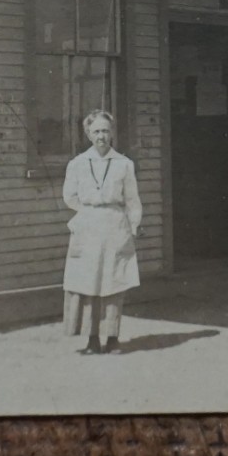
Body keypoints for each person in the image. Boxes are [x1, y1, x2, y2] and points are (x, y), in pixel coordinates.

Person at [61, 110, 142, 354]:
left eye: (105, 131)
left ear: (112, 133)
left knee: (113, 284)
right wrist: (88, 212)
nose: (101, 136)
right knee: (89, 284)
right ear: (88, 134)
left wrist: (133, 226)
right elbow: (69, 197)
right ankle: (92, 340)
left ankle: (113, 338)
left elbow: (132, 200)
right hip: (88, 226)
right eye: (96, 131)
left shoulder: (124, 165)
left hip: (115, 226)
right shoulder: (77, 164)